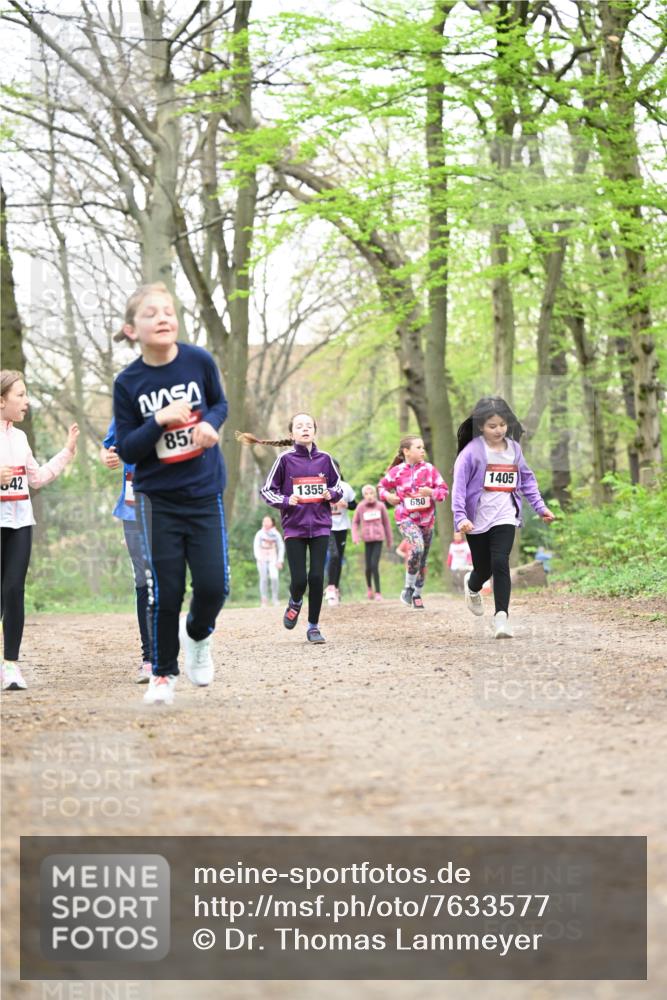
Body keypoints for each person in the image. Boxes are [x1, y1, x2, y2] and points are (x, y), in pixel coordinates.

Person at [113, 282, 229, 705]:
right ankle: (163, 673)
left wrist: (211, 425)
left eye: (168, 311)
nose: (162, 317)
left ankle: (198, 636)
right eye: (150, 313)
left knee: (215, 587)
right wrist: (159, 419)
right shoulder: (128, 382)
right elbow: (126, 448)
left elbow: (218, 403)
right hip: (158, 500)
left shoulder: (198, 360)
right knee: (167, 589)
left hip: (204, 493)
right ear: (131, 330)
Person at [451, 395, 555, 638]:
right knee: (483, 568)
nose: (499, 430)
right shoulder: (471, 453)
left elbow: (527, 480)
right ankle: (472, 585)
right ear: (480, 426)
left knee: (500, 562)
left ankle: (501, 619)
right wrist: (460, 518)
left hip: (505, 515)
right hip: (475, 520)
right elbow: (459, 487)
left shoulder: (514, 450)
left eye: (502, 424)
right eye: (492, 426)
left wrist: (540, 508)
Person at [1, 370, 79, 691]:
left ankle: (11, 666)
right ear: (1, 400)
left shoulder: (20, 438)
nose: (26, 401)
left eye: (26, 394)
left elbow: (37, 478)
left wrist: (68, 451)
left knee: (14, 590)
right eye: (20, 395)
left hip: (20, 523)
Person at [237, 413, 342, 644]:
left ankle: (313, 626)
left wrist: (331, 494)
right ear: (291, 434)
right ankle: (295, 601)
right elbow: (267, 490)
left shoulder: (326, 459)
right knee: (299, 580)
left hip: (321, 525)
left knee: (316, 577)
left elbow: (338, 487)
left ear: (315, 431)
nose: (305, 429)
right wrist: (286, 501)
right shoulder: (284, 460)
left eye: (309, 426)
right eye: (299, 426)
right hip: (294, 527)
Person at [99, 417, 152, 682]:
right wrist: (108, 458)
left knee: (167, 579)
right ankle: (149, 659)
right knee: (143, 580)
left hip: (168, 507)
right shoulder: (125, 411)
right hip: (132, 510)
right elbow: (108, 447)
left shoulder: (178, 402)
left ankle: (169, 648)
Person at [378, 436, 448, 610]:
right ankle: (408, 587)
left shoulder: (430, 470)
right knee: (417, 548)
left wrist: (430, 492)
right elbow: (381, 487)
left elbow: (443, 491)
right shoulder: (397, 472)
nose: (423, 450)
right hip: (406, 519)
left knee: (422, 560)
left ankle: (417, 593)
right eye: (418, 447)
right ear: (406, 451)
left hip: (427, 521)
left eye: (423, 447)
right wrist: (389, 497)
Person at [351, 483, 393, 600]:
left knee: (374, 565)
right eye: (366, 494)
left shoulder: (380, 506)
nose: (369, 496)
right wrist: (355, 536)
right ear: (364, 495)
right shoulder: (360, 507)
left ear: (375, 494)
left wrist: (390, 540)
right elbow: (355, 522)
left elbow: (387, 523)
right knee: (368, 566)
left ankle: (378, 592)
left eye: (371, 493)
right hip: (367, 539)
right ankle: (369, 589)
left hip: (378, 539)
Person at [324, 460, 356, 607]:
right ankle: (330, 587)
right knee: (334, 555)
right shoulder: (321, 486)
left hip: (342, 527)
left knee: (339, 558)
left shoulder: (345, 487)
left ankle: (335, 588)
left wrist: (346, 505)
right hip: (327, 526)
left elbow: (354, 505)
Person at [253, 514, 285, 607]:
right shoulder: (259, 533)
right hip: (262, 558)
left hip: (273, 558)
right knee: (263, 579)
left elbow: (281, 547)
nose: (265, 523)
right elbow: (256, 546)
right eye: (264, 521)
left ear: (272, 523)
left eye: (268, 521)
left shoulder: (276, 534)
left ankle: (275, 598)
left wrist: (280, 560)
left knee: (274, 577)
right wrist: (258, 558)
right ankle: (264, 599)